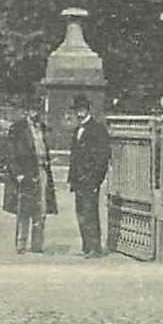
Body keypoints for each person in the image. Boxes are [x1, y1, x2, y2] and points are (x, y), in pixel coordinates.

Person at [3, 106, 57, 254]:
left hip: (42, 171)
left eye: (37, 110)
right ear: (26, 111)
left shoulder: (42, 127)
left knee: (41, 208)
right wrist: (18, 173)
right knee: (24, 208)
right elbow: (10, 153)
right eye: (32, 109)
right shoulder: (18, 128)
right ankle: (21, 244)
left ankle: (37, 244)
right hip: (25, 173)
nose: (35, 113)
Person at [67, 95, 110, 257]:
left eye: (82, 109)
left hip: (90, 181)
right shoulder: (78, 129)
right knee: (81, 214)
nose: (79, 113)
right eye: (77, 110)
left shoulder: (97, 129)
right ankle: (86, 246)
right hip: (78, 181)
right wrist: (72, 178)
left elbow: (102, 157)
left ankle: (95, 247)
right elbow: (74, 157)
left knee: (90, 212)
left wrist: (95, 179)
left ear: (87, 110)